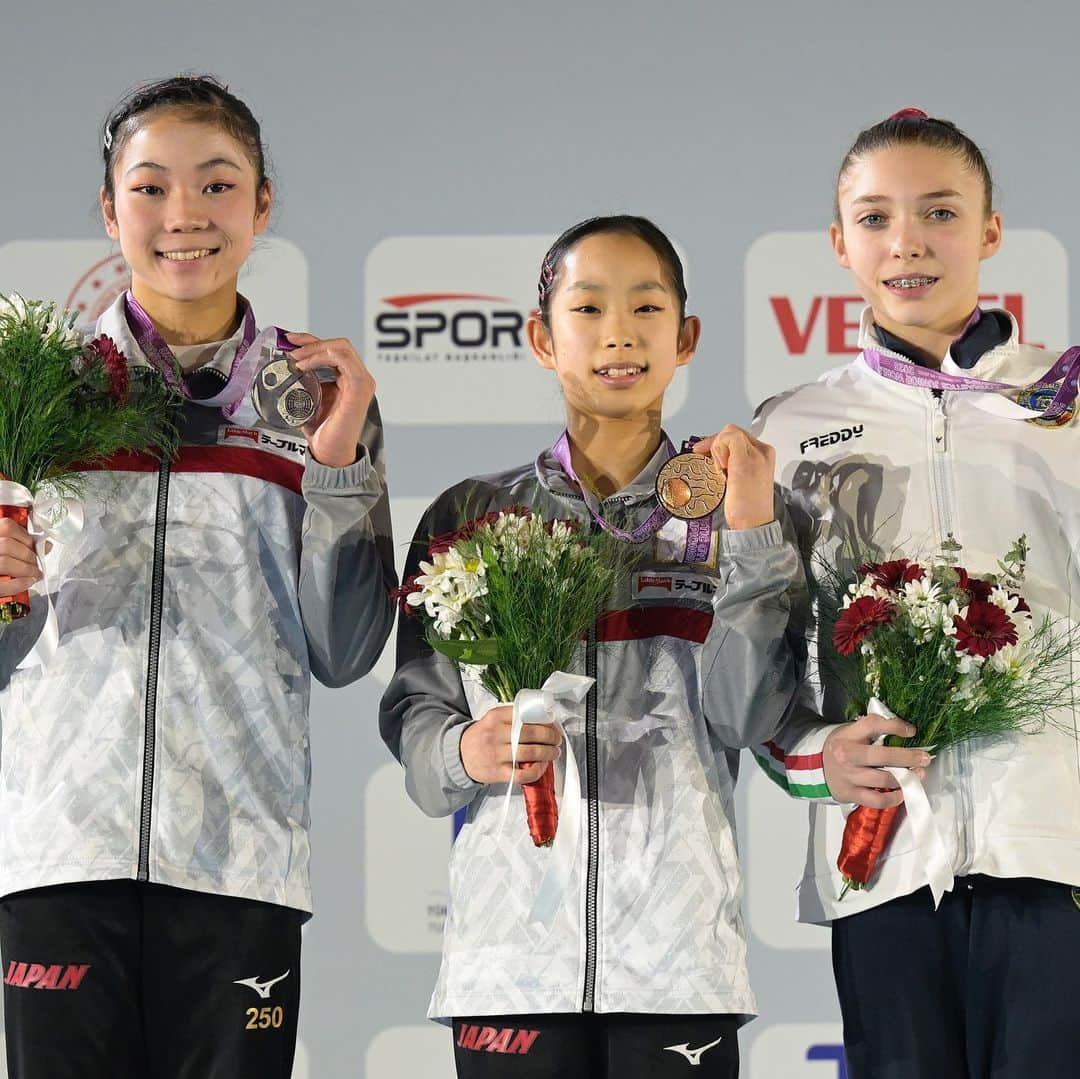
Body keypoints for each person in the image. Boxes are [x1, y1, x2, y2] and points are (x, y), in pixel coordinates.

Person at [0, 75, 395, 1078]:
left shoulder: (318, 394)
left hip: (241, 858)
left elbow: (346, 649)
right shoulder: (30, 392)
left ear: (264, 205)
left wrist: (341, 464)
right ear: (108, 210)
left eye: (218, 186)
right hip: (63, 850)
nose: (185, 216)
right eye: (151, 188)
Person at [380, 214, 805, 1079]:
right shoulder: (468, 516)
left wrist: (755, 539)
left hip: (679, 967)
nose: (619, 332)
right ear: (542, 338)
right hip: (508, 965)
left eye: (646, 307)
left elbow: (749, 715)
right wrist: (465, 748)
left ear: (684, 337)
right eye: (588, 307)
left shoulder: (745, 512)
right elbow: (415, 719)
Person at [753, 109, 1080, 1078]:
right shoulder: (792, 425)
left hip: (1051, 842)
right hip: (885, 848)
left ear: (988, 230)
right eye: (876, 216)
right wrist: (815, 756)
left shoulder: (1065, 405)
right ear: (839, 243)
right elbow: (762, 640)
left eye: (940, 212)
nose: (908, 241)